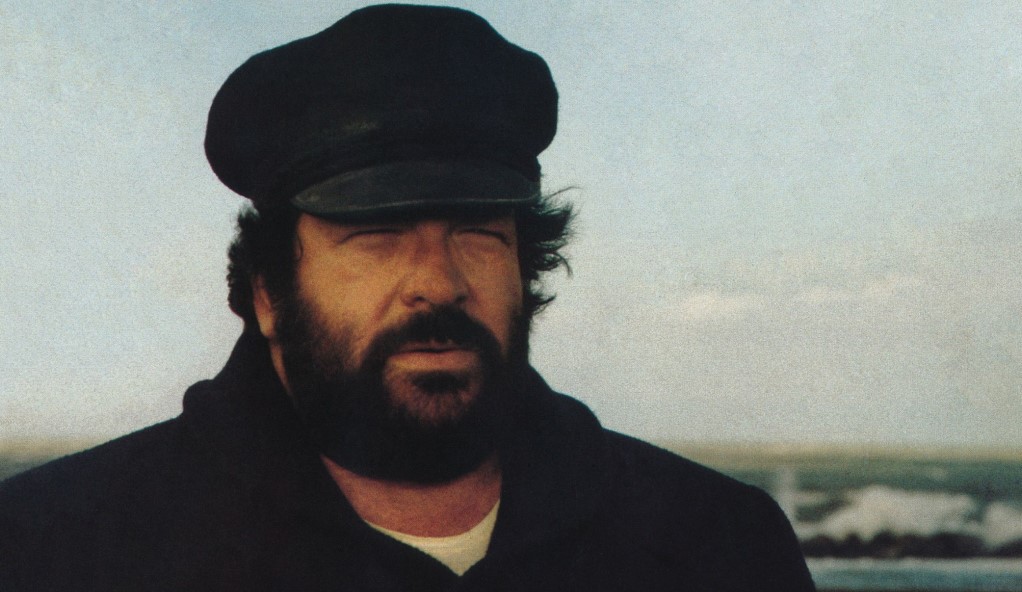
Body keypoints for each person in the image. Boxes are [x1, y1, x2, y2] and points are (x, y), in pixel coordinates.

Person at [0, 5, 815, 590]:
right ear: (267, 293)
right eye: (377, 234)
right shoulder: (55, 549)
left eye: (478, 232)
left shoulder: (717, 544)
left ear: (526, 268)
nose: (438, 281)